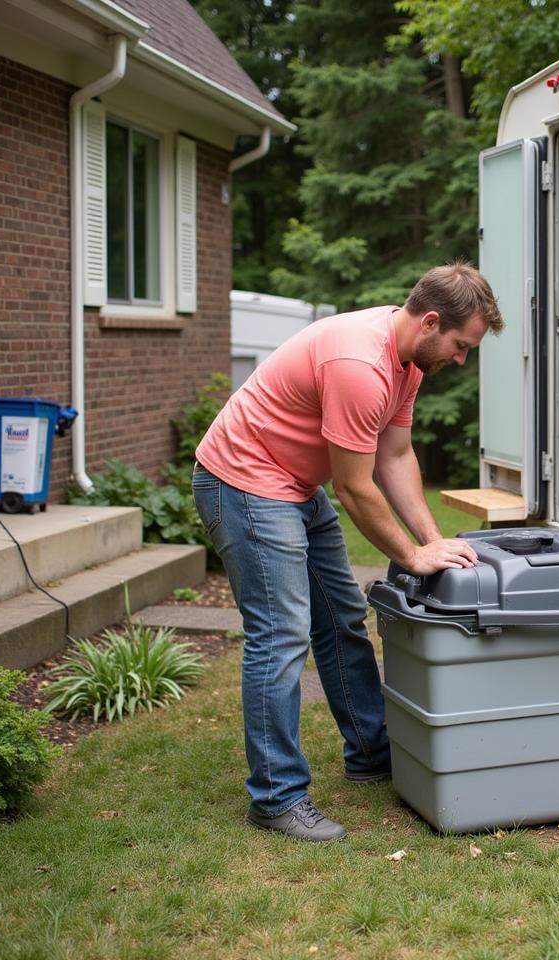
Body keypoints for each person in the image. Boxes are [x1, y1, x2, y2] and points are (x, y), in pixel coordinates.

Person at [192, 262, 504, 842]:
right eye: (461, 346)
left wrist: (433, 540)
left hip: (292, 485)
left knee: (340, 618)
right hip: (244, 482)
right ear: (432, 321)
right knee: (280, 635)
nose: (461, 359)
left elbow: (395, 457)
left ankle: (370, 752)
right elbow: (355, 487)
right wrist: (413, 558)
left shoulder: (407, 360)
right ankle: (276, 797)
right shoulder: (360, 364)